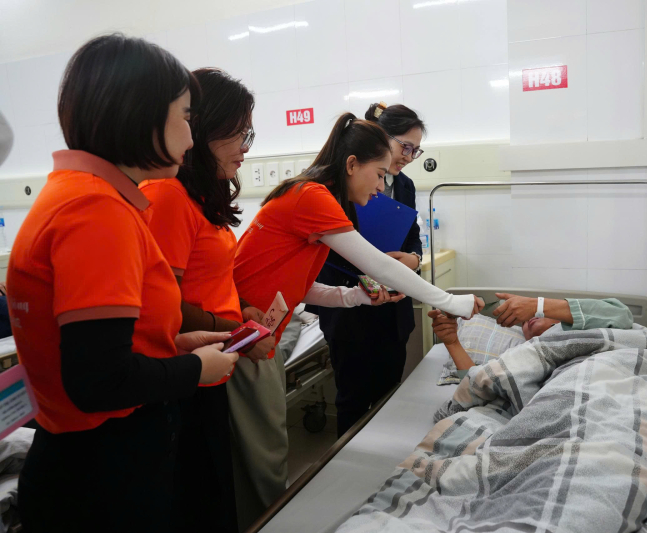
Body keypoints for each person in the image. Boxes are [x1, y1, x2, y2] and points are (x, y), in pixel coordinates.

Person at [5, 34, 237, 533]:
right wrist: (195, 369)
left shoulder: (82, 195)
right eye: (186, 117)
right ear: (141, 114)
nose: (191, 138)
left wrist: (173, 345)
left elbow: (98, 345)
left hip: (89, 461)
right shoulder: (96, 212)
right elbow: (98, 381)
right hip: (102, 473)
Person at [232, 112, 483, 521]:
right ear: (352, 164)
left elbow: (299, 285)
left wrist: (354, 297)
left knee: (266, 447)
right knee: (264, 453)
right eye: (379, 174)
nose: (383, 186)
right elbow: (379, 265)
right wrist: (453, 303)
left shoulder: (317, 198)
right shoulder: (313, 197)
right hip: (242, 330)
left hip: (261, 329)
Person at [140, 68, 272, 533]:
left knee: (214, 492)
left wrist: (243, 308)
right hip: (183, 372)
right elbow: (163, 302)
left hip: (212, 366)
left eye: (249, 134)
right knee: (197, 502)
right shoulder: (167, 195)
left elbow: (208, 275)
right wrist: (235, 331)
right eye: (238, 134)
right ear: (203, 128)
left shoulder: (199, 198)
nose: (246, 148)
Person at [314, 102, 426, 437]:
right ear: (380, 137)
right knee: (353, 401)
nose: (409, 156)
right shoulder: (331, 187)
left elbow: (413, 235)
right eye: (405, 146)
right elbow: (325, 253)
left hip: (392, 311)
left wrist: (413, 260)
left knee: (389, 394)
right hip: (349, 311)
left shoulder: (404, 185)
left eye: (416, 150)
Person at [430, 294, 634, 378]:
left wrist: (538, 305)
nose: (527, 320)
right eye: (523, 324)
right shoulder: (522, 353)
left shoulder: (582, 328)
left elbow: (622, 315)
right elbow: (478, 386)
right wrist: (452, 342)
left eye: (536, 314)